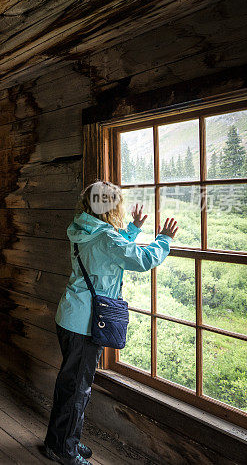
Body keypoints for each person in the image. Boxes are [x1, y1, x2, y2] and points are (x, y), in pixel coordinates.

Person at [40, 181, 179, 465]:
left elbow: (112, 247)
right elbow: (142, 259)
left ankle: (63, 441)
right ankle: (63, 450)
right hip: (85, 324)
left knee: (71, 385)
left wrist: (134, 229)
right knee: (78, 389)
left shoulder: (82, 227)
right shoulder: (106, 237)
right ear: (111, 207)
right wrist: (163, 238)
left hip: (70, 315)